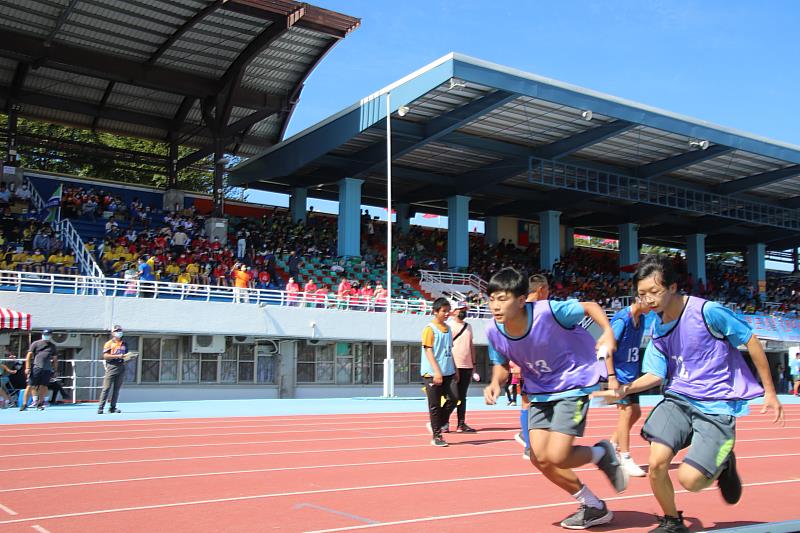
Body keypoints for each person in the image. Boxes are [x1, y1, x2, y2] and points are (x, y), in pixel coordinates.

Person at [593, 255, 784, 533]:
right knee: (656, 463)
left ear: (672, 287)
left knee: (691, 481)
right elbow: (656, 374)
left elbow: (750, 340)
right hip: (679, 399)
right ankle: (673, 522)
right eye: (642, 294)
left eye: (654, 291)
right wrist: (624, 389)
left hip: (716, 405)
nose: (648, 299)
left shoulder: (708, 312)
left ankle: (723, 463)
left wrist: (770, 391)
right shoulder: (657, 326)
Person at [483, 267, 625, 530]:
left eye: (502, 299)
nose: (495, 306)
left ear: (521, 299)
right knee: (539, 459)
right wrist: (494, 382)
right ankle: (593, 505)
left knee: (558, 456)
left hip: (572, 384)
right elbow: (501, 364)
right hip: (539, 392)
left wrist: (606, 331)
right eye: (491, 299)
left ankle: (600, 453)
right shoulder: (493, 331)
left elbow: (589, 306)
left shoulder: (548, 312)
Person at [608, 297, 651, 478]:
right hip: (620, 376)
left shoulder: (641, 319)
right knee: (625, 413)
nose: (653, 304)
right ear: (639, 298)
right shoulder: (621, 320)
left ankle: (611, 446)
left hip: (631, 375)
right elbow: (607, 349)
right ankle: (625, 458)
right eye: (649, 299)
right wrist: (611, 377)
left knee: (636, 413)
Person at [515, 274, 551, 460]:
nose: (548, 294)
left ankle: (529, 441)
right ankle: (530, 444)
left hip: (531, 362)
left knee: (528, 402)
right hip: (534, 363)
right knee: (534, 402)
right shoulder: (537, 309)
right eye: (547, 290)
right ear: (541, 289)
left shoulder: (519, 308)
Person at [421, 297, 457, 447]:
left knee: (454, 398)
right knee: (434, 405)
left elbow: (449, 350)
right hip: (432, 373)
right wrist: (437, 372)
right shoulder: (430, 329)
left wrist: (455, 369)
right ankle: (437, 436)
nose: (447, 314)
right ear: (435, 312)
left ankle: (436, 423)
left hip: (448, 371)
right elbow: (428, 351)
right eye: (444, 311)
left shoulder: (448, 329)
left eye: (448, 311)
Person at [448, 302, 477, 433]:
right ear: (454, 311)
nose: (463, 312)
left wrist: (474, 365)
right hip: (453, 366)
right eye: (461, 309)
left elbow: (471, 345)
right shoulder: (449, 326)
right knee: (452, 396)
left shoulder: (468, 326)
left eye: (465, 309)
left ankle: (461, 423)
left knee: (462, 396)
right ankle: (443, 422)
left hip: (467, 366)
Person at [21, 329, 58, 411]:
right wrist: (27, 367)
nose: (46, 336)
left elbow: (55, 359)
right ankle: (24, 404)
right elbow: (29, 356)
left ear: (51, 336)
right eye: (45, 334)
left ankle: (40, 403)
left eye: (48, 334)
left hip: (47, 369)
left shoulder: (52, 346)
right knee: (30, 385)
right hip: (36, 367)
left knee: (43, 386)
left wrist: (55, 370)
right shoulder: (36, 343)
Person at [98, 325, 130, 414]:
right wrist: (117, 356)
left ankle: (113, 407)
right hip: (112, 366)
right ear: (112, 333)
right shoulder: (109, 343)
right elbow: (105, 356)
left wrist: (129, 357)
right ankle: (100, 407)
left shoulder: (124, 343)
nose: (119, 332)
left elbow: (125, 355)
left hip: (121, 366)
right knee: (106, 388)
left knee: (117, 389)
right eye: (116, 330)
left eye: (120, 330)